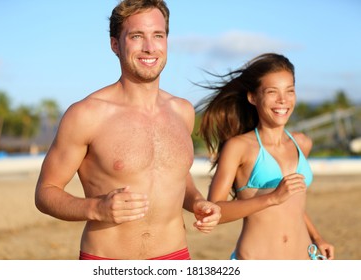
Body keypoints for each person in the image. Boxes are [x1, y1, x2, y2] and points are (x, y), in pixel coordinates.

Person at [35, 0, 220, 260]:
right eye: (136, 36)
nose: (149, 47)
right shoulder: (87, 114)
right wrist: (96, 208)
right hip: (108, 261)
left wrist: (197, 201)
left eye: (158, 35)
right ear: (115, 45)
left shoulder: (183, 111)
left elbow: (176, 175)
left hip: (176, 257)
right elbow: (46, 192)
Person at [196, 53, 334, 260]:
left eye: (290, 91)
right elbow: (214, 212)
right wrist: (271, 198)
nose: (283, 100)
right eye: (272, 92)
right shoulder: (239, 147)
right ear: (253, 97)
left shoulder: (302, 143)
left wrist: (317, 237)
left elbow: (294, 205)